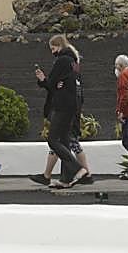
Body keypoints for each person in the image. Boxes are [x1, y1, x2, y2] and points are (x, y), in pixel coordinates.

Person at [31, 38, 92, 187]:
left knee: (53, 140)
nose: (52, 52)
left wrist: (42, 79)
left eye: (53, 49)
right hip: (73, 106)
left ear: (59, 46)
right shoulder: (73, 62)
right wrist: (57, 84)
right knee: (64, 141)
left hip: (62, 105)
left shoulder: (62, 60)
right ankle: (66, 179)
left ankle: (78, 169)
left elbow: (51, 83)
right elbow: (65, 84)